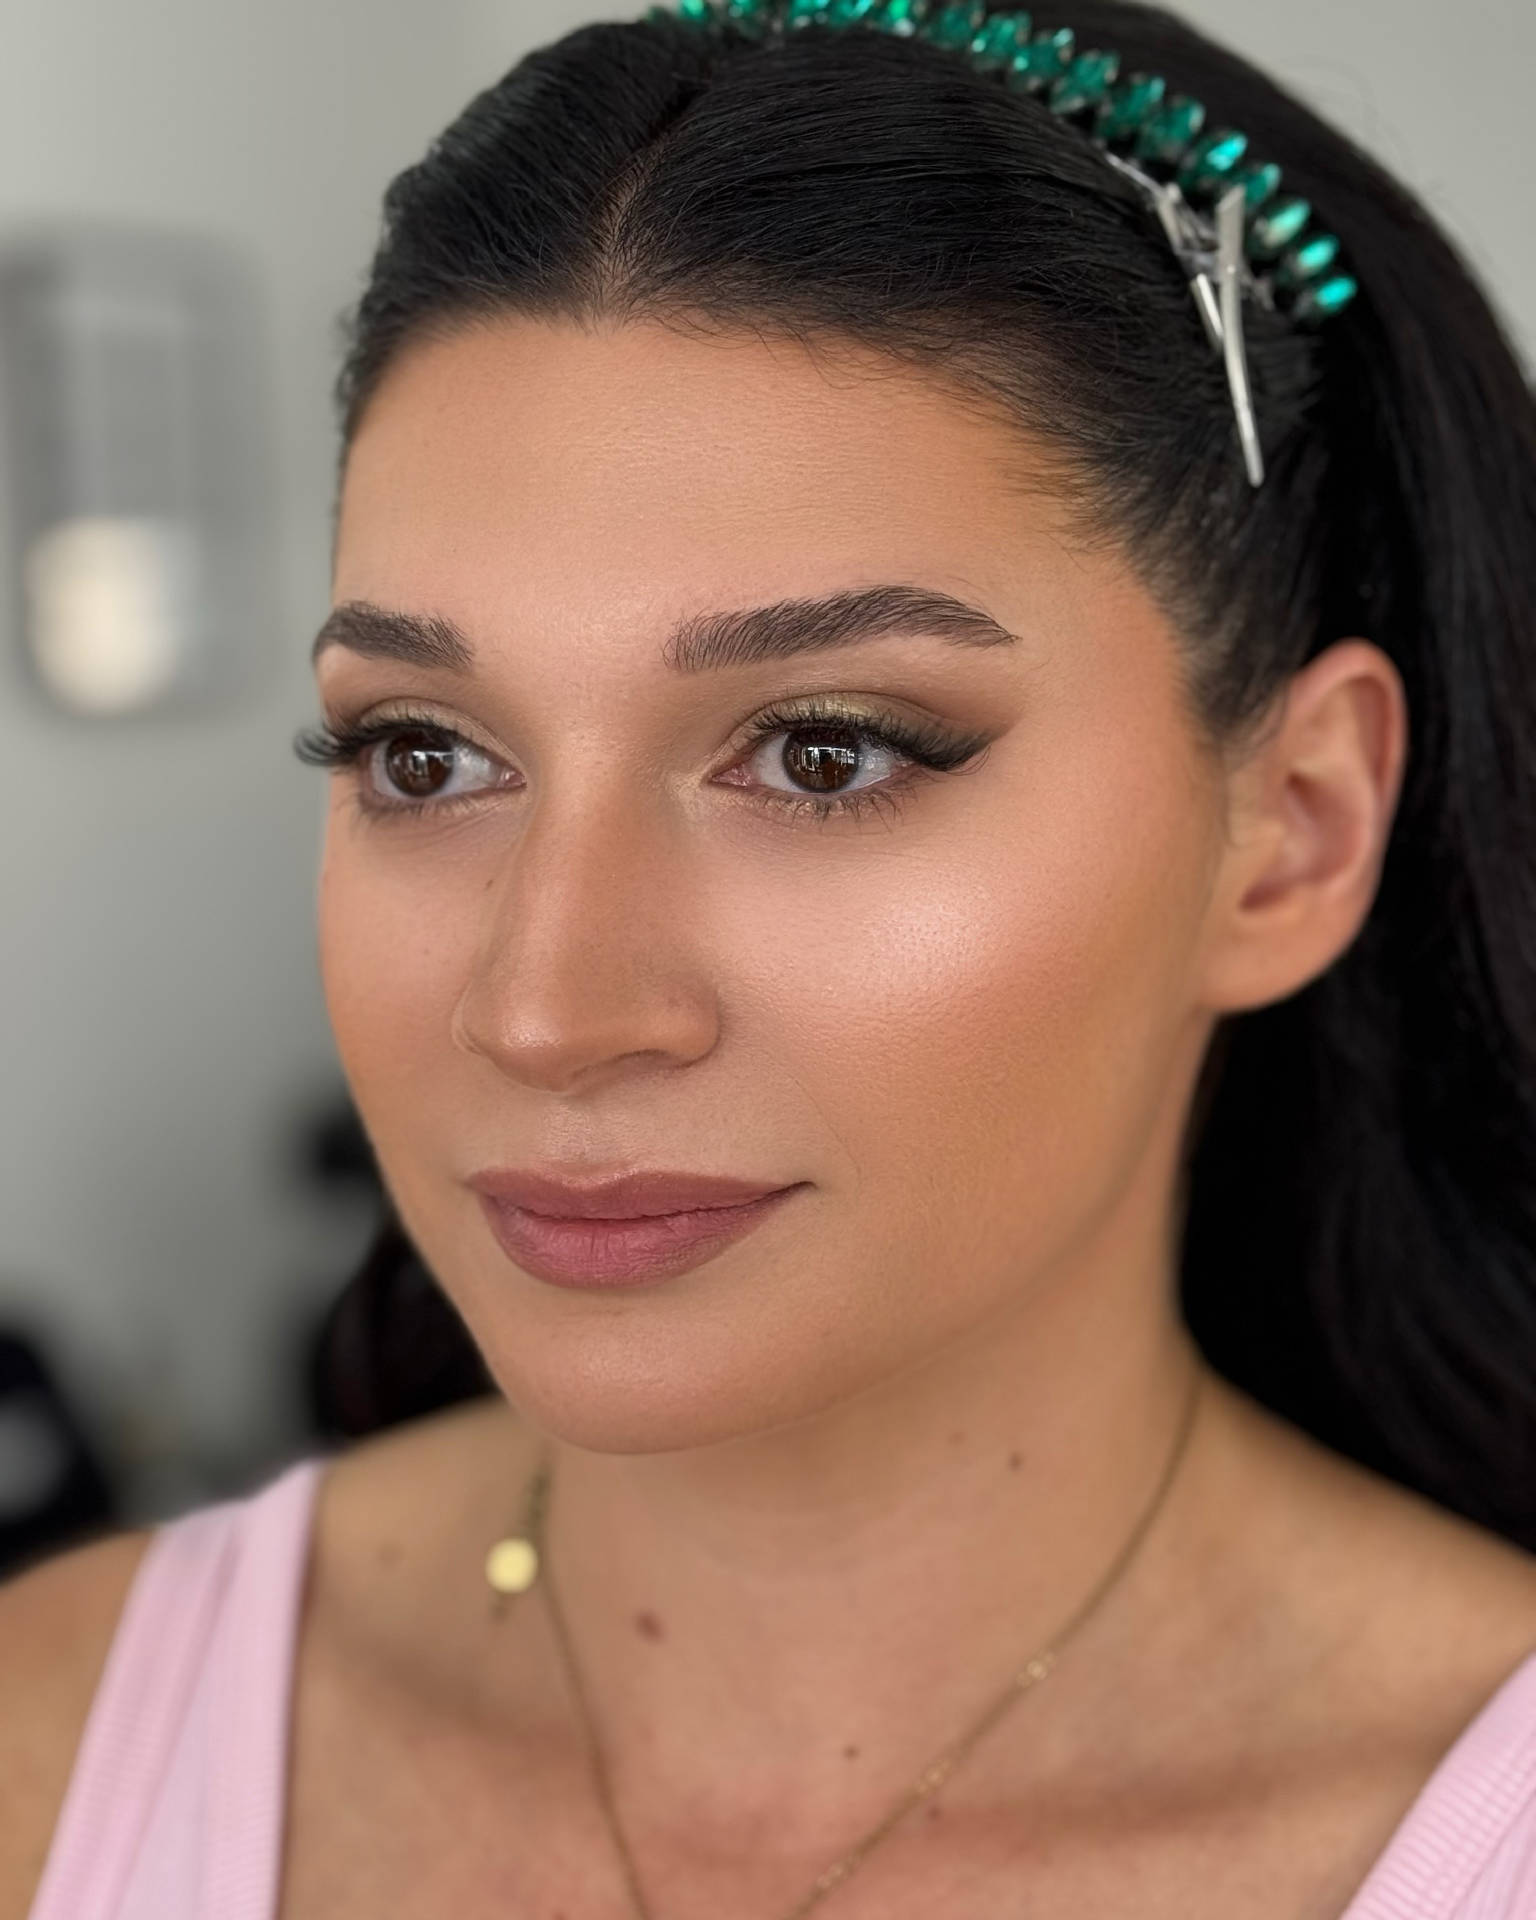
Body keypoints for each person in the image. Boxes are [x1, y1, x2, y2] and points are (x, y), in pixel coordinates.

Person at [6, 0, 1536, 1913]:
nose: (544, 1010)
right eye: (427, 755)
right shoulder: (42, 1753)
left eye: (826, 754)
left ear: (1292, 834)